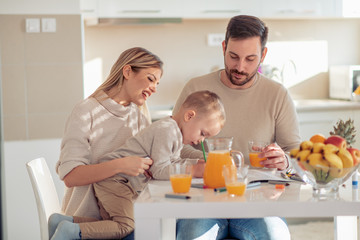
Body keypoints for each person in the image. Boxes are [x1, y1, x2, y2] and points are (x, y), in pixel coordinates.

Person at [173, 15, 301, 239]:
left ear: (263, 55)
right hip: (203, 201)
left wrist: (285, 160)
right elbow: (173, 146)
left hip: (258, 202)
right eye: (233, 56)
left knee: (275, 235)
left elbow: (297, 153)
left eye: (250, 59)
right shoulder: (196, 88)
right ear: (223, 47)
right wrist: (209, 165)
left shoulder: (277, 94)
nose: (240, 67)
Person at [49, 90, 225, 240]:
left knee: (113, 223)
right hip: (114, 179)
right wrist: (194, 170)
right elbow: (160, 170)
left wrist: (196, 163)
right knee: (126, 226)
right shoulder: (167, 131)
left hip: (120, 181)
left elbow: (171, 162)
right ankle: (71, 231)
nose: (201, 140)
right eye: (203, 133)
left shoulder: (175, 133)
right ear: (189, 116)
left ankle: (65, 222)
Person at [52, 47, 163, 239]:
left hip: (126, 211)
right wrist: (122, 165)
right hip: (89, 219)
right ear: (127, 71)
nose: (154, 88)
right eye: (151, 79)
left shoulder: (139, 116)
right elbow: (70, 176)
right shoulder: (86, 111)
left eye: (157, 83)